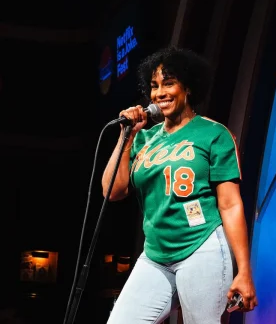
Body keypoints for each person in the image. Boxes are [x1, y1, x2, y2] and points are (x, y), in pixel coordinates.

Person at [101, 46, 258, 324]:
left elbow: (230, 204)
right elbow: (112, 191)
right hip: (155, 254)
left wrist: (243, 270)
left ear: (188, 89)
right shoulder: (143, 139)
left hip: (202, 247)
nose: (159, 93)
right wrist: (125, 137)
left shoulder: (213, 134)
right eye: (154, 86)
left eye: (169, 83)